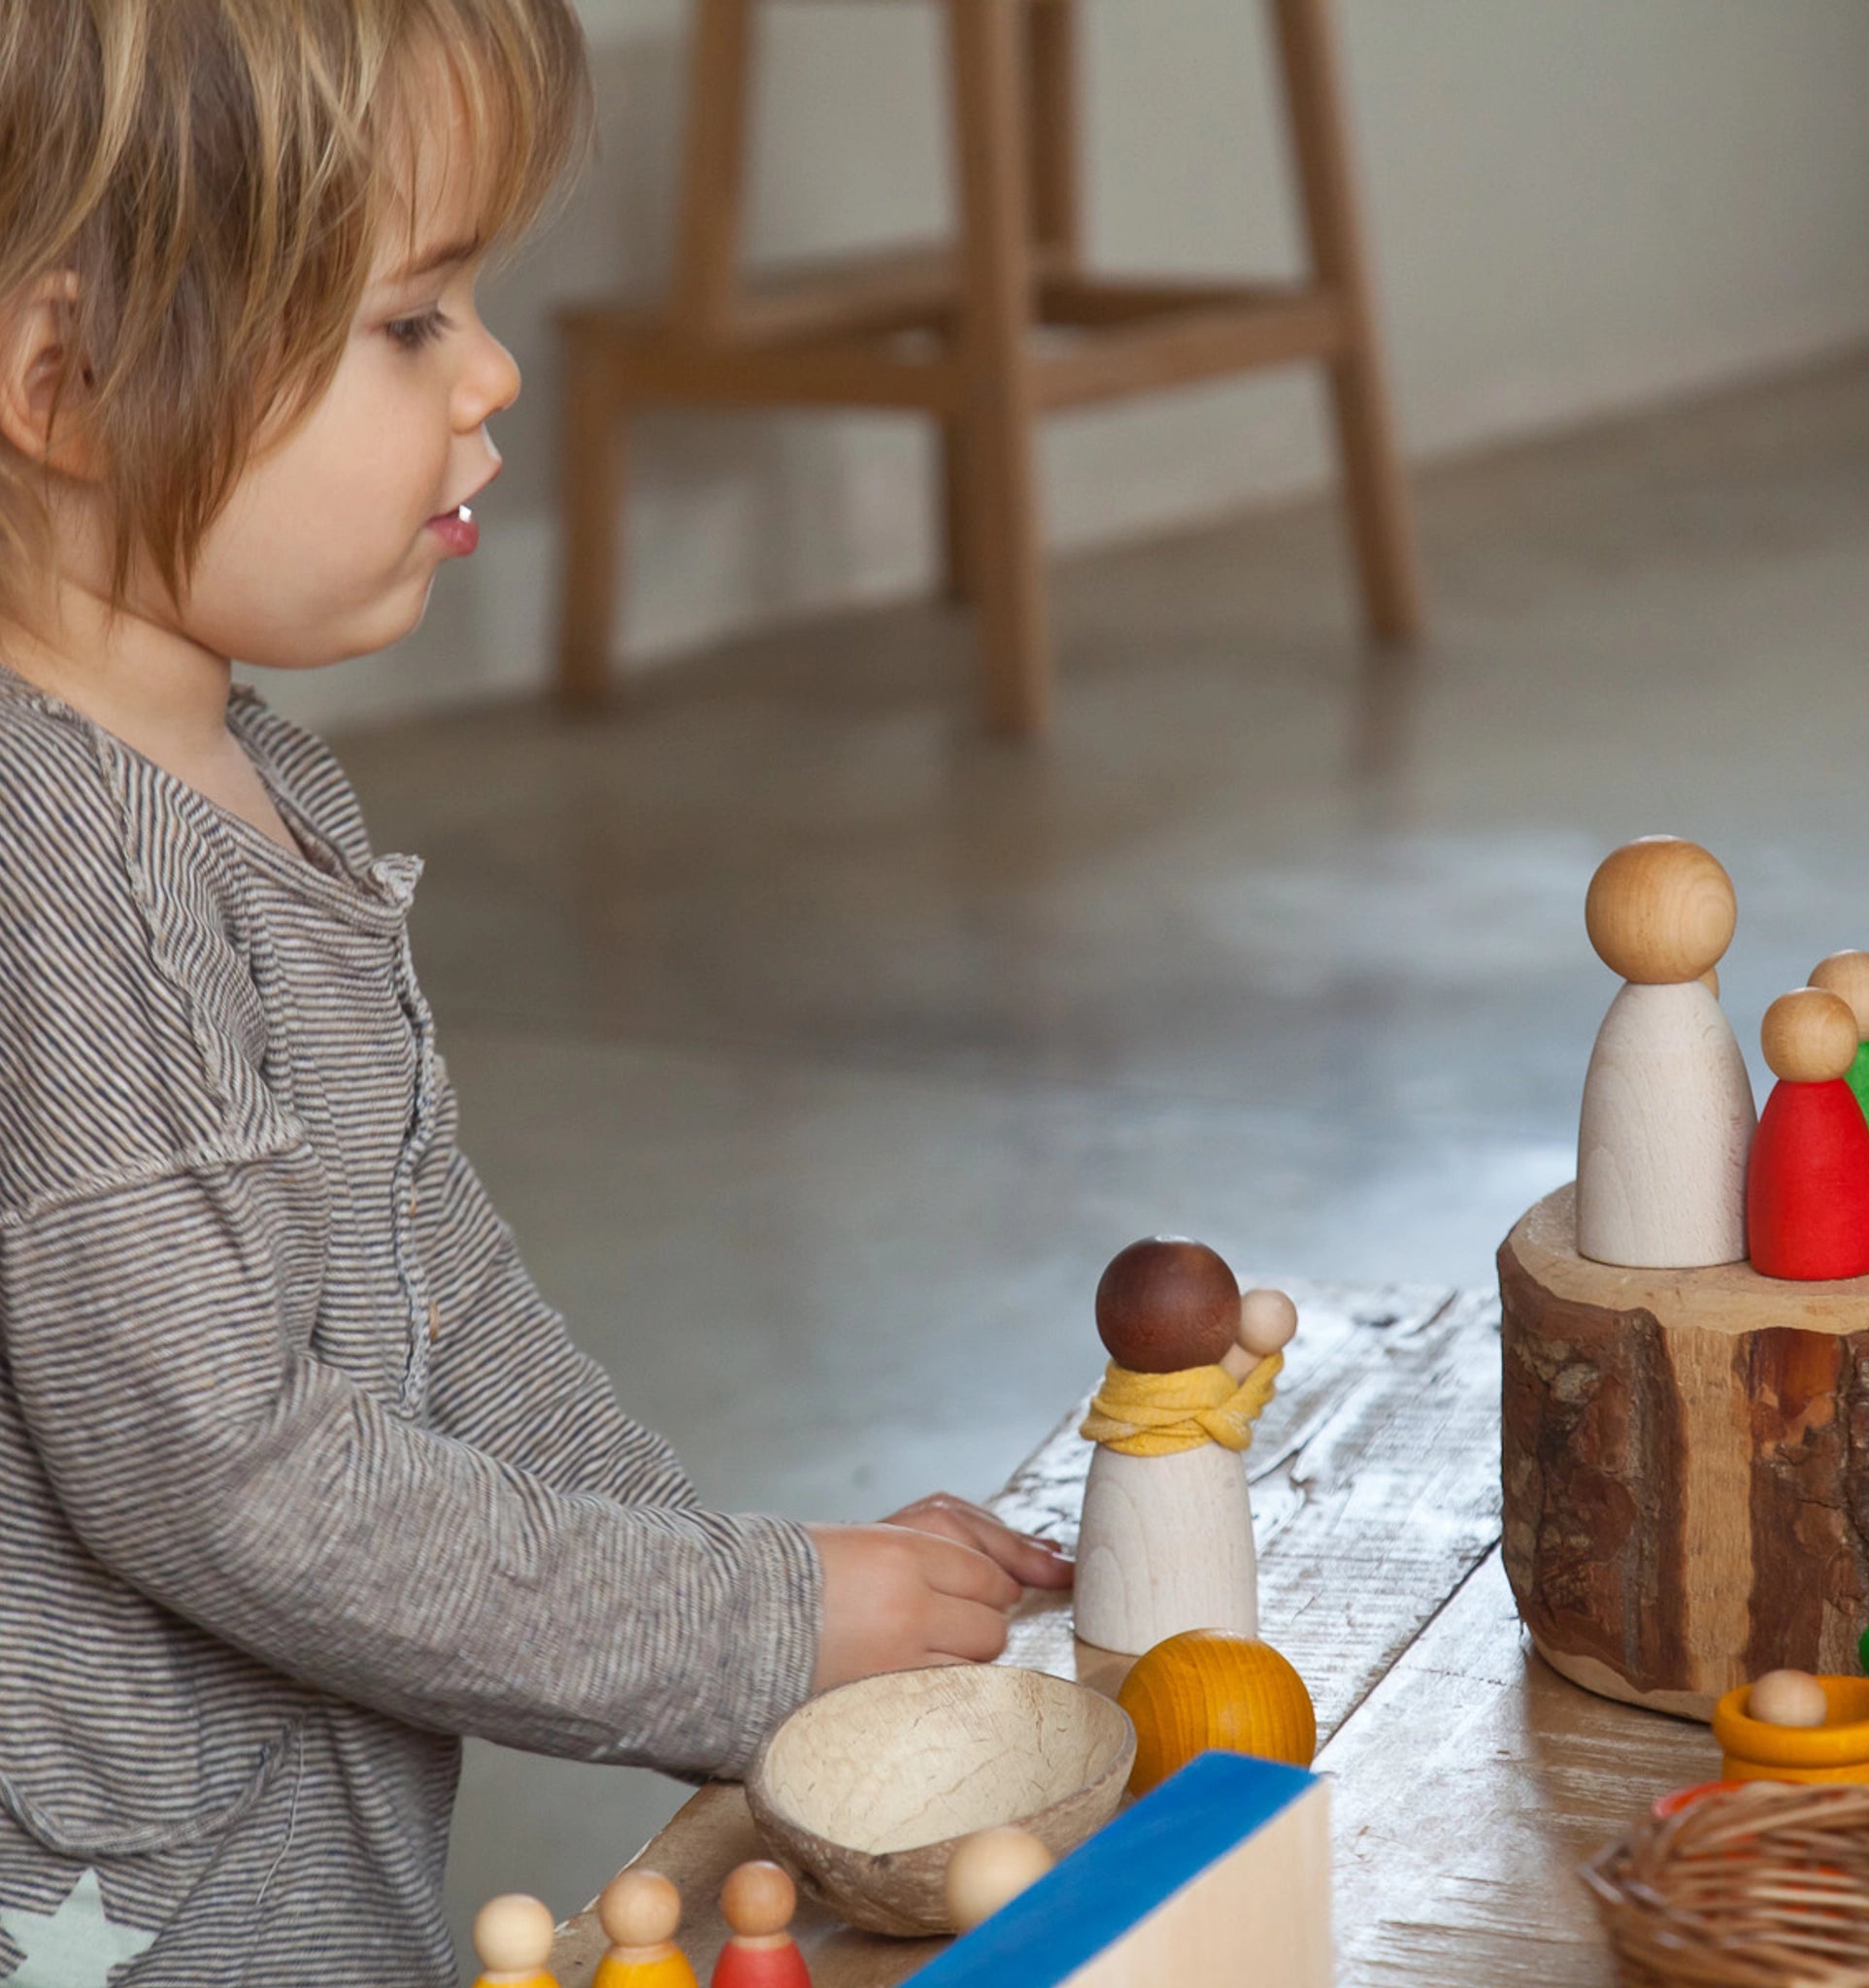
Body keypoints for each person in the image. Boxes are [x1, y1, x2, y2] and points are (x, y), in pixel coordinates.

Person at [0, 4, 1072, 1983]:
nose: (492, 369)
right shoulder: (57, 876)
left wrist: (762, 1632)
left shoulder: (244, 776)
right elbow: (230, 1479)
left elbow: (435, 1301)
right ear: (66, 383)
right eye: (409, 321)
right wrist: (744, 1625)